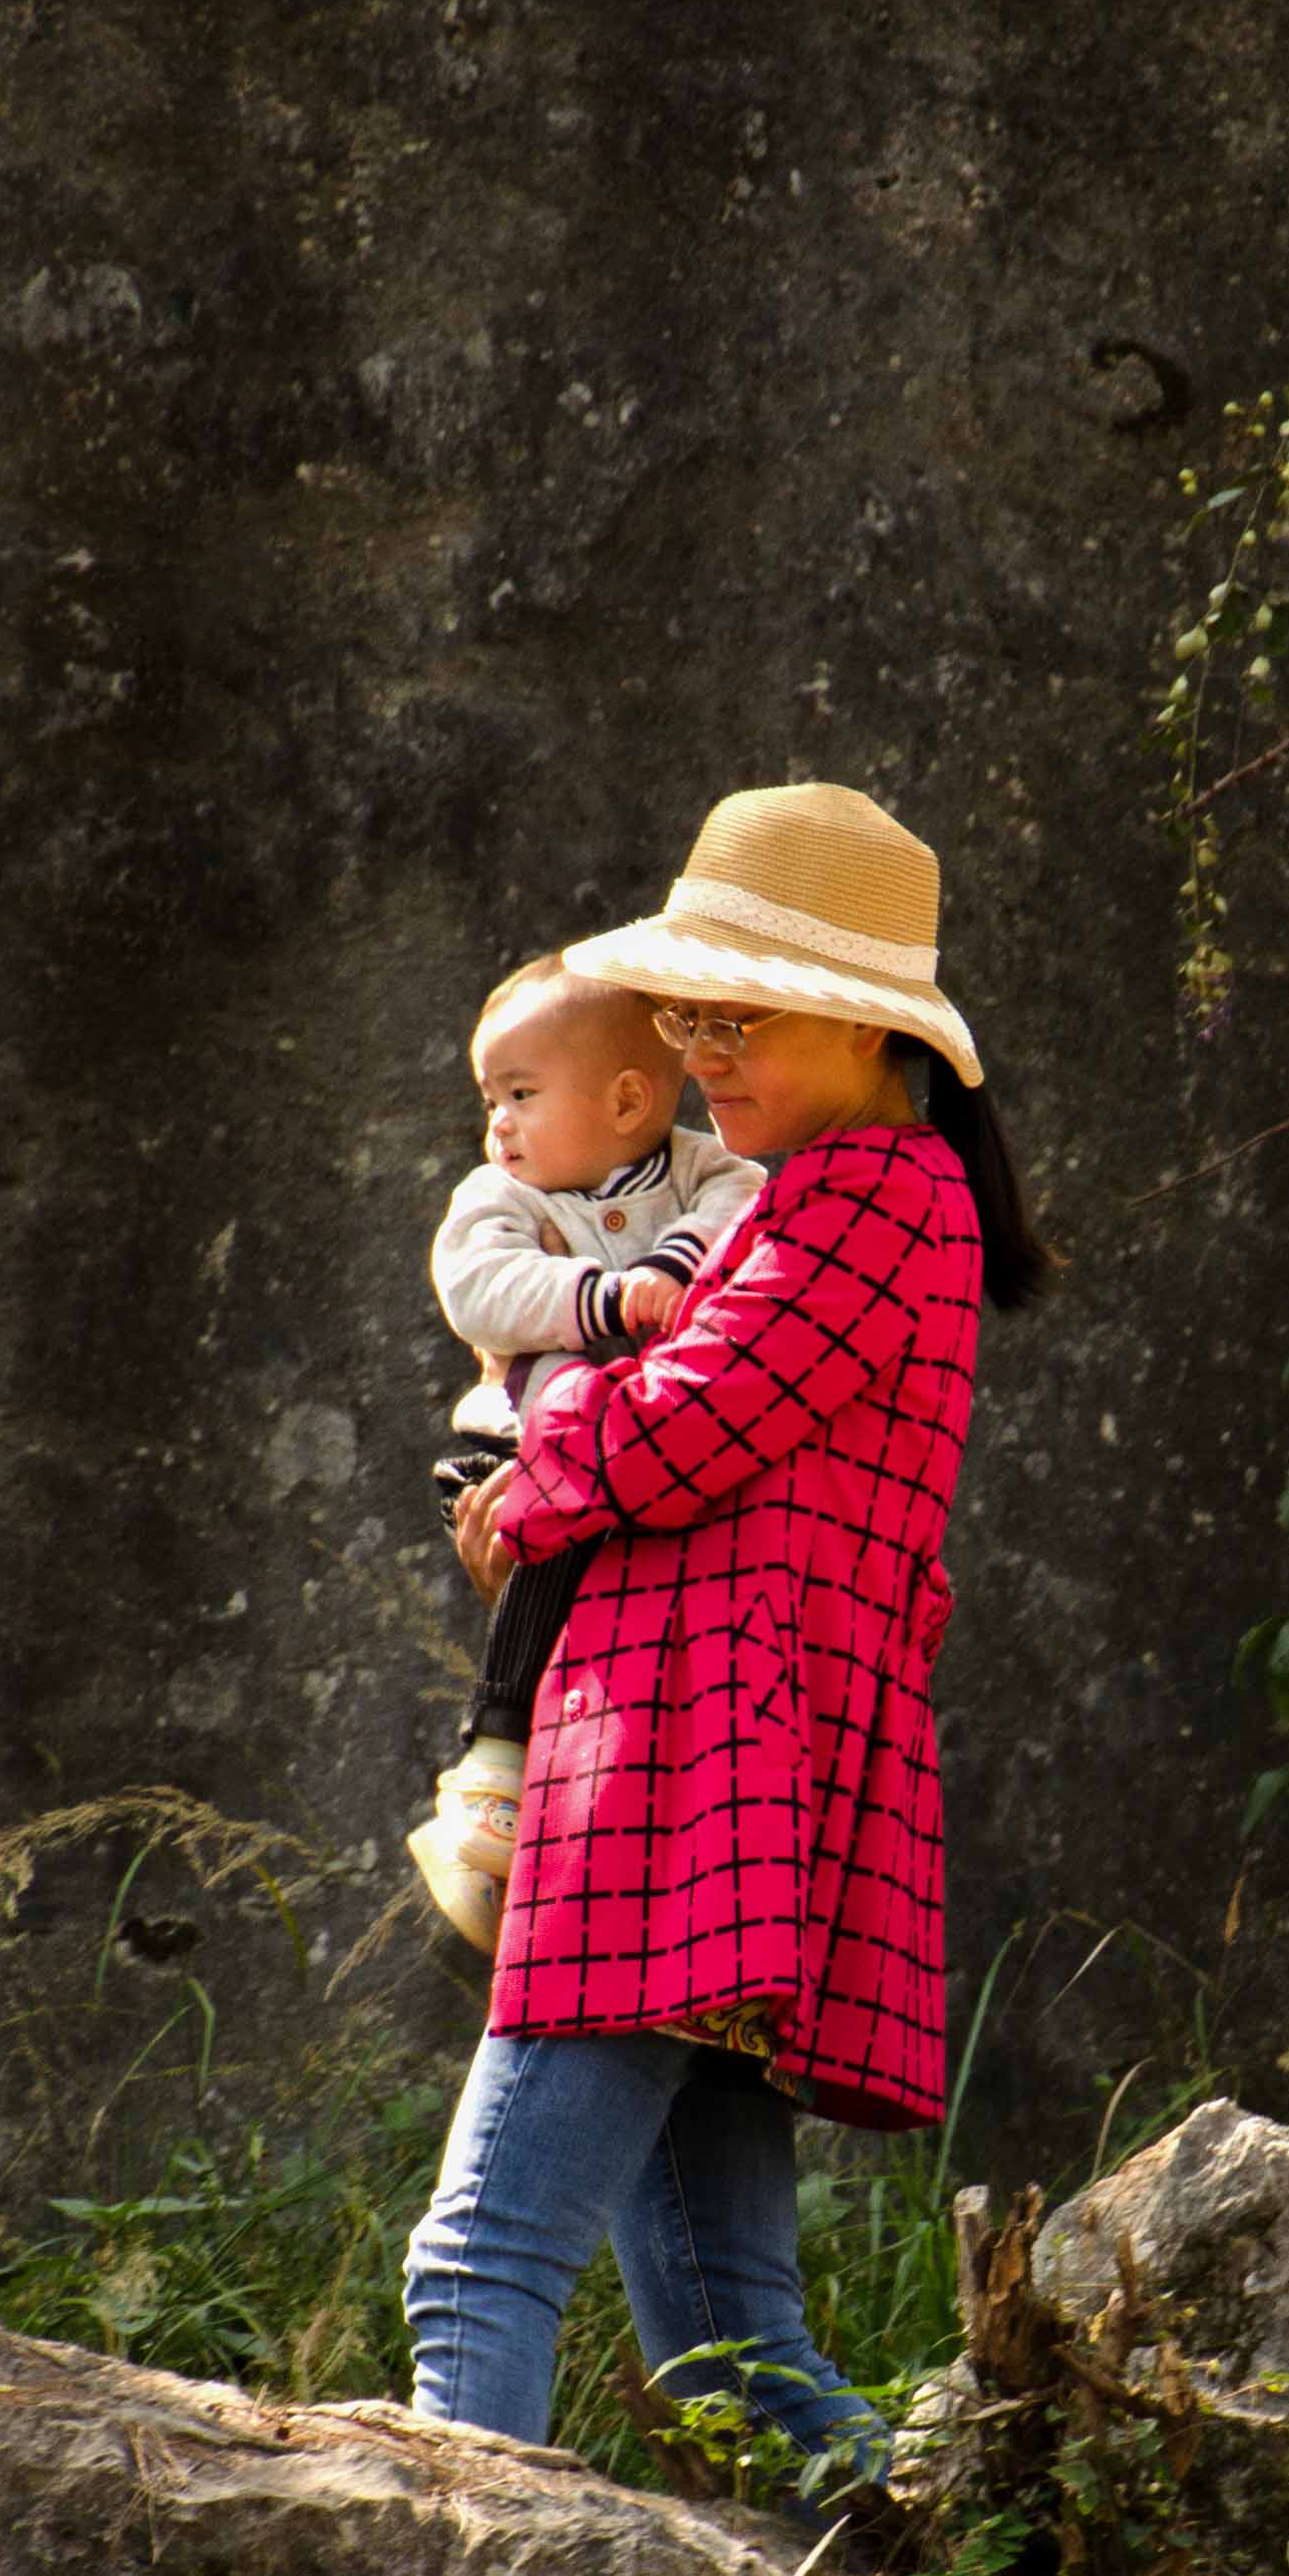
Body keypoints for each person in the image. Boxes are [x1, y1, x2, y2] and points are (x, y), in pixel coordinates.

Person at [401, 781, 1051, 2467]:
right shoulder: (826, 1190)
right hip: (721, 1781)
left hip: (691, 1778)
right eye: (684, 1015)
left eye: (732, 1013)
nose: (697, 1052)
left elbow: (696, 1406)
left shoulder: (867, 1194)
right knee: (726, 2332)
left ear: (861, 1017)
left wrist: (529, 1468)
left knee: (475, 2258)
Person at [406, 958, 768, 1950]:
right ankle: (491, 1762)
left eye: (520, 1096)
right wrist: (604, 1300)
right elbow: (476, 1288)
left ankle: (557, 1840)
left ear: (626, 1099)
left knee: (628, 1623)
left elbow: (744, 1210)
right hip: (525, 1454)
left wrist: (670, 1265)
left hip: (632, 1465)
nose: (500, 1127)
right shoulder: (500, 1197)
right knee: (563, 1501)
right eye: (490, 1102)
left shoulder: (706, 1170)